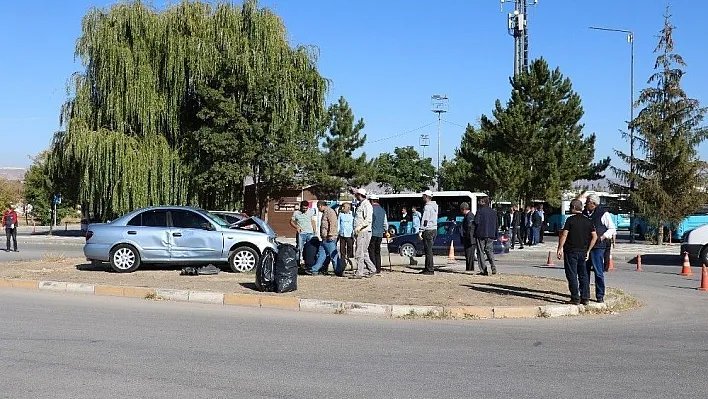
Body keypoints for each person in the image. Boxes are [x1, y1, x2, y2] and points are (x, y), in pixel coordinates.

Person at [556, 199, 597, 305]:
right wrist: (588, 250)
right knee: (583, 275)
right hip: (583, 252)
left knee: (572, 274)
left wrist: (560, 248)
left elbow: (564, 234)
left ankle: (575, 297)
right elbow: (594, 236)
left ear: (574, 208)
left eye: (570, 207)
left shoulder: (570, 220)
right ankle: (585, 297)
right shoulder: (588, 221)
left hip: (571, 252)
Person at [583, 193, 617, 303]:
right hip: (585, 246)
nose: (585, 204)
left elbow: (611, 228)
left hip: (598, 247)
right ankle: (585, 295)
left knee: (598, 272)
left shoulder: (603, 213)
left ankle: (600, 295)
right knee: (584, 271)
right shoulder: (584, 213)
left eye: (587, 202)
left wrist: (603, 237)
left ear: (593, 204)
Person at [351, 188, 377, 279]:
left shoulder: (366, 205)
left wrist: (359, 227)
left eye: (356, 195)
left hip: (363, 232)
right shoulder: (361, 204)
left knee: (359, 252)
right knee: (364, 253)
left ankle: (360, 272)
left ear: (359, 195)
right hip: (361, 231)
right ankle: (372, 269)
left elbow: (368, 220)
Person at [310, 201, 340, 276]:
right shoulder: (325, 212)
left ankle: (338, 270)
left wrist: (331, 234)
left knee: (333, 255)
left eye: (318, 207)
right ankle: (314, 270)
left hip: (329, 238)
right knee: (321, 255)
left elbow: (333, 223)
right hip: (324, 238)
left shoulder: (330, 212)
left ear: (320, 206)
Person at [474, 197, 498, 276]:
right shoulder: (494, 212)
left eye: (480, 201)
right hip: (490, 234)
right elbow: (496, 225)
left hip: (481, 234)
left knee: (480, 252)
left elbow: (476, 222)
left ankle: (484, 270)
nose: (479, 203)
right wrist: (495, 235)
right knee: (490, 251)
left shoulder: (480, 211)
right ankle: (493, 266)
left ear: (483, 202)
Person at [290, 201, 317, 266]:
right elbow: (291, 221)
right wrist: (297, 227)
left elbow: (312, 221)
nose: (305, 209)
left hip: (310, 233)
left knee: (310, 248)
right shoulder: (296, 213)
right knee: (299, 248)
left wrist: (314, 231)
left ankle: (308, 262)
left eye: (306, 208)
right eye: (304, 208)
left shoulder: (310, 212)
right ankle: (297, 263)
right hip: (301, 234)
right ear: (301, 207)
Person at [419, 190, 438, 275]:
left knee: (428, 251)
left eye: (423, 196)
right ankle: (427, 268)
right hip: (434, 229)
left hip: (428, 230)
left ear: (426, 196)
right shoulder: (435, 206)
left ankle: (430, 269)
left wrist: (421, 230)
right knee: (429, 250)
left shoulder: (427, 207)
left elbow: (425, 220)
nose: (422, 197)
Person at [368, 195, 388, 274]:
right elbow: (385, 223)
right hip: (380, 233)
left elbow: (370, 221)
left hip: (372, 233)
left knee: (371, 251)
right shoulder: (383, 210)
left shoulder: (371, 209)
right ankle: (378, 268)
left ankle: (373, 267)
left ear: (372, 201)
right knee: (377, 251)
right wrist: (386, 231)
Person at [338, 202, 355, 271]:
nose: (342, 208)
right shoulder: (340, 214)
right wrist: (338, 232)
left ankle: (350, 261)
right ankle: (342, 262)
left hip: (349, 234)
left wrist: (354, 233)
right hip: (342, 234)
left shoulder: (352, 214)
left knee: (350, 248)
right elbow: (338, 223)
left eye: (343, 207)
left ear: (348, 208)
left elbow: (354, 224)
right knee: (342, 248)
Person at [460, 202, 476, 272]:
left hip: (470, 239)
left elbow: (470, 228)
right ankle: (469, 268)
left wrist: (467, 236)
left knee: (469, 255)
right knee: (468, 255)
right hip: (470, 239)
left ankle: (470, 269)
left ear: (463, 209)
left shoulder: (469, 216)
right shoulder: (469, 215)